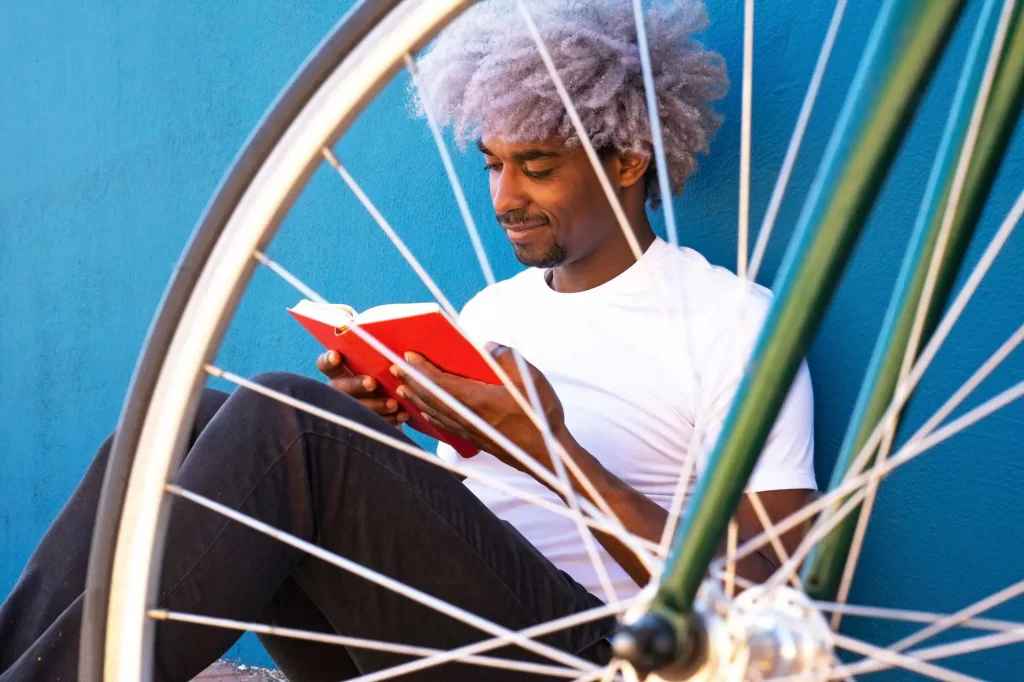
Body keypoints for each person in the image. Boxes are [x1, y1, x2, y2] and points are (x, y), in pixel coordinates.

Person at [0, 1, 816, 680]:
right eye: (491, 165)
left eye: (536, 165)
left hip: (607, 657)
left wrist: (552, 450)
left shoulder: (732, 322)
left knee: (288, 419)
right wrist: (387, 421)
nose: (505, 198)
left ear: (630, 158)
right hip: (433, 641)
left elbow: (763, 593)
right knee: (169, 428)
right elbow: (460, 533)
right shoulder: (494, 314)